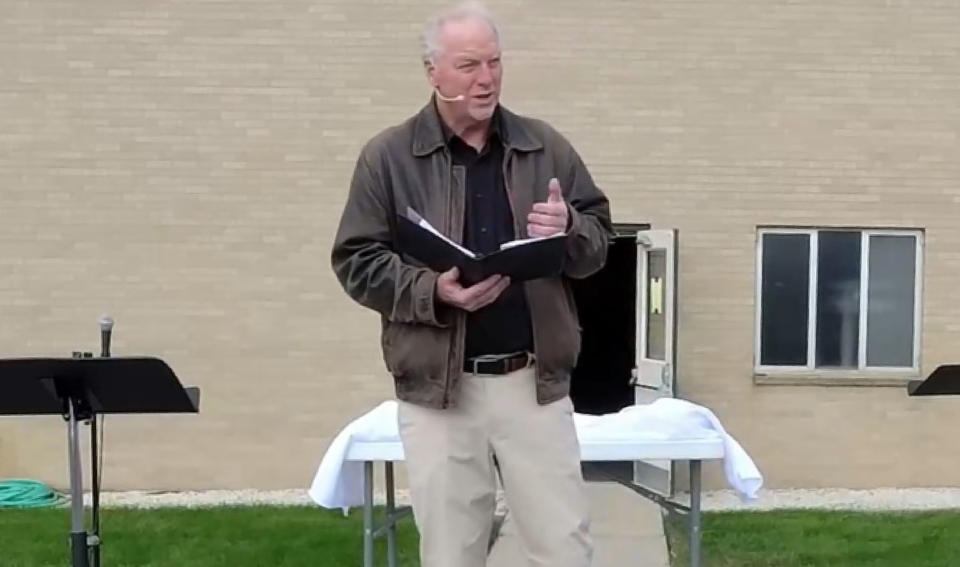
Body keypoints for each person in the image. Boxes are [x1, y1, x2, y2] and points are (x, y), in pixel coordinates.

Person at [330, 2, 613, 565]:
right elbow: (355, 260)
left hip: (532, 384)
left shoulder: (545, 146)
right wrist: (432, 290)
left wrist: (571, 229)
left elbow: (597, 246)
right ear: (432, 71)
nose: (486, 79)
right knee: (450, 553)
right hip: (439, 391)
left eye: (495, 62)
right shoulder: (387, 157)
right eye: (468, 65)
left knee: (564, 549)